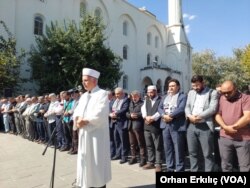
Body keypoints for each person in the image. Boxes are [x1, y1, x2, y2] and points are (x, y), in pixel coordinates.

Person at [73, 68, 111, 188]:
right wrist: (77, 119)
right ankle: (86, 183)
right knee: (85, 162)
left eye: (86, 80)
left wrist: (85, 120)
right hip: (84, 134)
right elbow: (77, 111)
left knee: (96, 162)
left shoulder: (102, 94)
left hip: (97, 135)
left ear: (94, 81)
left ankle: (99, 185)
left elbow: (101, 113)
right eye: (83, 80)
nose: (83, 83)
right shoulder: (84, 96)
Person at [185, 75, 218, 171]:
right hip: (191, 125)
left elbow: (212, 109)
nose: (195, 88)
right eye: (193, 86)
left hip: (205, 126)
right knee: (192, 152)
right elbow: (187, 106)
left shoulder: (212, 92)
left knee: (207, 154)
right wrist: (190, 116)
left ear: (203, 83)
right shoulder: (191, 92)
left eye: (197, 85)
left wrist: (199, 117)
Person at [215, 80, 250, 172]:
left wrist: (233, 127)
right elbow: (217, 114)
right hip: (224, 138)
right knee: (226, 166)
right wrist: (225, 127)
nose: (226, 95)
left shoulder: (246, 98)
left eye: (228, 92)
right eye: (223, 92)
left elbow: (247, 117)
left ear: (235, 88)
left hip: (243, 139)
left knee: (244, 167)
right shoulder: (221, 98)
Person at [158, 79, 187, 172]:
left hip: (177, 126)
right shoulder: (164, 97)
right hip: (165, 125)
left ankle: (179, 169)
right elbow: (160, 108)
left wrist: (170, 116)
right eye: (169, 86)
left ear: (178, 87)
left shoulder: (182, 96)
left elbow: (181, 108)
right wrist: (163, 115)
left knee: (178, 148)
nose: (170, 87)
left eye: (173, 86)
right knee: (168, 148)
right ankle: (169, 167)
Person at [141, 85, 163, 172]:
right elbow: (143, 109)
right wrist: (146, 117)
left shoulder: (160, 100)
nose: (150, 94)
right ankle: (151, 162)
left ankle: (158, 164)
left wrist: (152, 118)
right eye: (148, 92)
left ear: (155, 91)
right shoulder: (146, 100)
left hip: (156, 126)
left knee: (157, 146)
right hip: (147, 125)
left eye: (151, 92)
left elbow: (160, 111)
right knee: (149, 145)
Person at [126, 90, 147, 166]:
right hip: (130, 125)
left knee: (141, 143)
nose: (134, 98)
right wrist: (129, 115)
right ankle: (133, 157)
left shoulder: (142, 103)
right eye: (132, 96)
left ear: (139, 96)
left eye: (135, 96)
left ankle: (143, 159)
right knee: (132, 143)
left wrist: (137, 115)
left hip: (138, 126)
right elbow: (127, 112)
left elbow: (144, 113)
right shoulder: (131, 103)